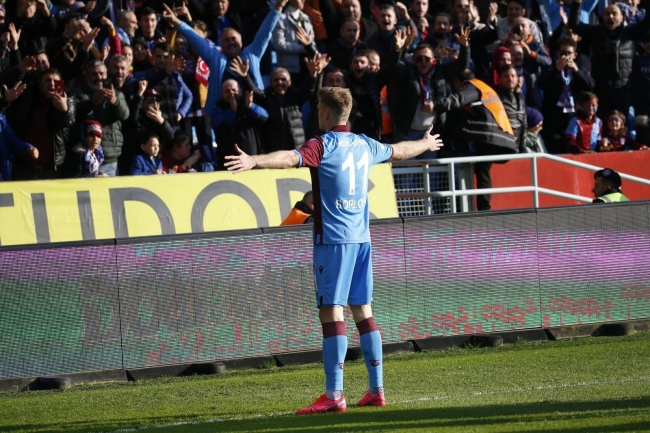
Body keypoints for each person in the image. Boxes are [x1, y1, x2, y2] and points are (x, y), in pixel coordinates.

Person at [224, 86, 444, 414]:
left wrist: (253, 160)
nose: (317, 113)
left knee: (331, 312)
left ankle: (334, 394)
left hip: (334, 241)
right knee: (363, 310)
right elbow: (399, 151)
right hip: (362, 240)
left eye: (318, 108)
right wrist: (426, 143)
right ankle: (376, 390)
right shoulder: (365, 144)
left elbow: (289, 158)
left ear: (326, 113)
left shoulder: (322, 145)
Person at [434, 69, 516, 211]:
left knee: (456, 114)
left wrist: (435, 105)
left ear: (459, 82)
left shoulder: (472, 86)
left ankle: (459, 154)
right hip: (503, 136)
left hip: (489, 135)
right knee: (483, 170)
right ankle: (484, 208)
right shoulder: (485, 87)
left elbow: (458, 99)